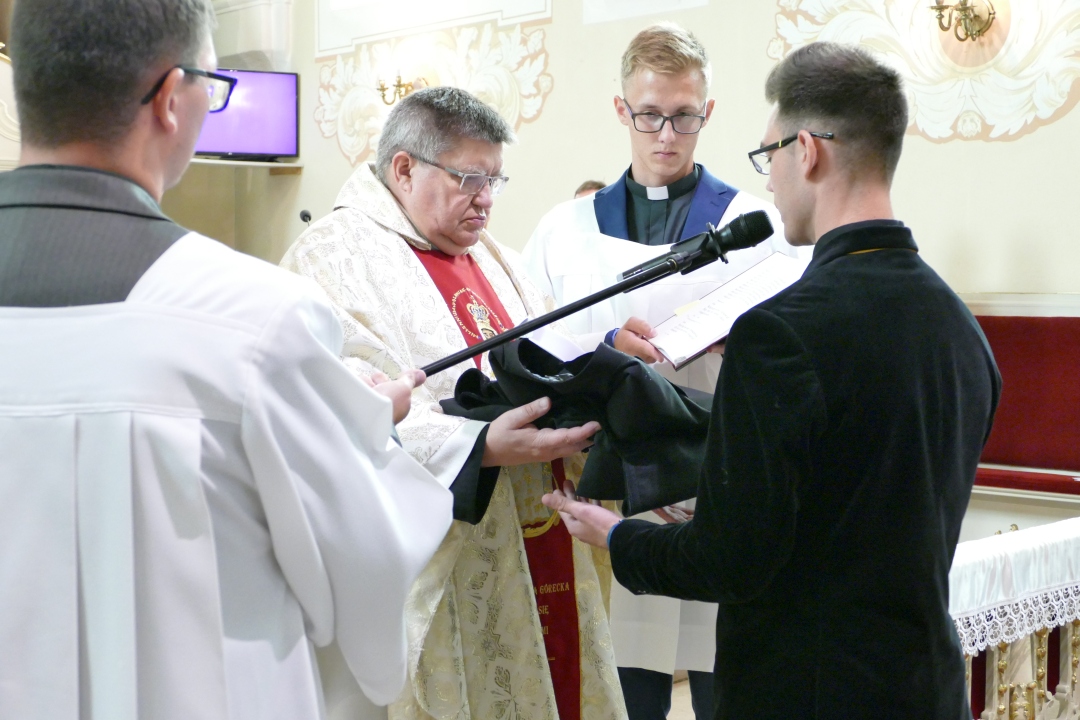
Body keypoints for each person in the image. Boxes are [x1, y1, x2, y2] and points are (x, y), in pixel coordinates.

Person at [0, 2, 453, 719]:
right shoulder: (253, 321)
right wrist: (366, 427)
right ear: (170, 97)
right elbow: (364, 571)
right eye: (213, 84)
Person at [542, 42, 1002, 719]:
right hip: (926, 687)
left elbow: (730, 560)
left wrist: (614, 535)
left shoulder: (781, 333)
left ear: (806, 151)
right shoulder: (959, 326)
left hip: (808, 692)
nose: (770, 182)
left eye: (770, 155)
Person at [280, 87, 627, 720]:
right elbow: (334, 409)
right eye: (470, 178)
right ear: (404, 168)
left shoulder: (496, 259)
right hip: (449, 557)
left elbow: (547, 359)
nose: (487, 198)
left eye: (495, 179)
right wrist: (478, 446)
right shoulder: (330, 258)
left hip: (541, 526)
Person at [523, 24, 799, 720]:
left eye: (685, 116)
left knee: (722, 673)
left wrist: (748, 346)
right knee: (624, 679)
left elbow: (801, 349)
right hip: (608, 480)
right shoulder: (565, 229)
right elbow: (527, 342)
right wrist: (601, 342)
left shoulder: (756, 224)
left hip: (719, 477)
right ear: (622, 110)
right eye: (650, 115)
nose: (667, 135)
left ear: (709, 111)